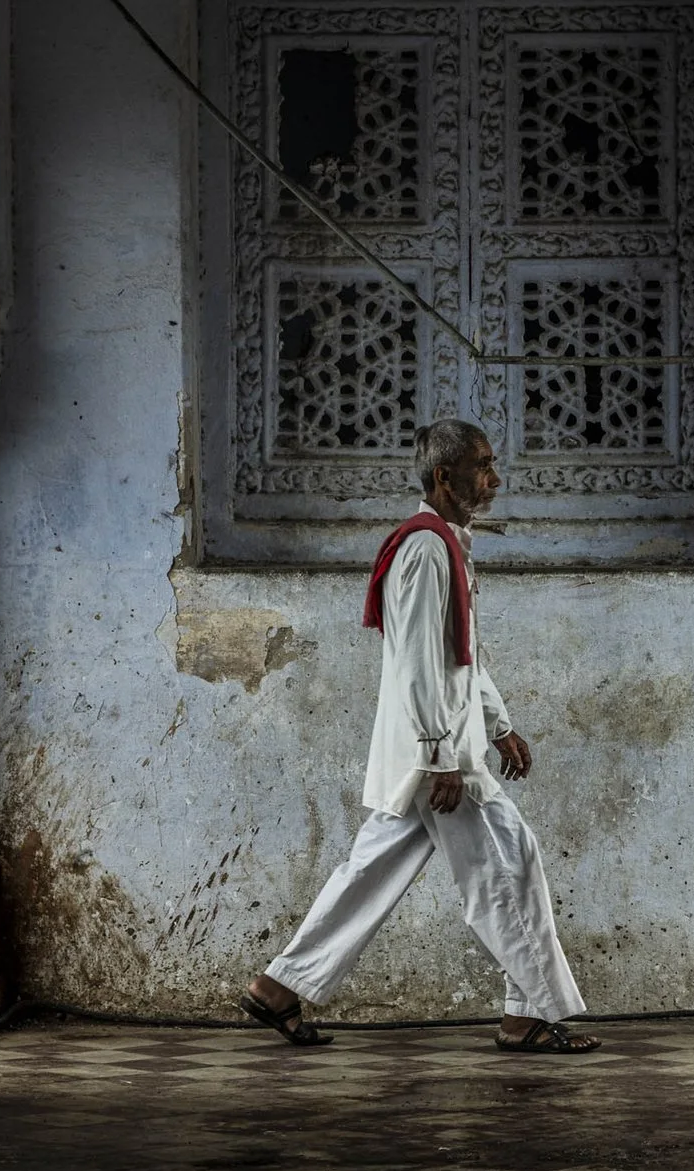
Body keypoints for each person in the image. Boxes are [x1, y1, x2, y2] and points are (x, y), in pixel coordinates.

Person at [239, 418, 600, 1054]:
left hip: (440, 752)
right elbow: (417, 663)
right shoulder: (426, 550)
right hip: (438, 759)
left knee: (372, 869)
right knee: (511, 863)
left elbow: (463, 656)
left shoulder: (446, 545)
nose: (494, 478)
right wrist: (440, 758)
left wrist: (500, 724)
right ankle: (526, 1017)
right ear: (443, 477)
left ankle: (278, 988)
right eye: (482, 466)